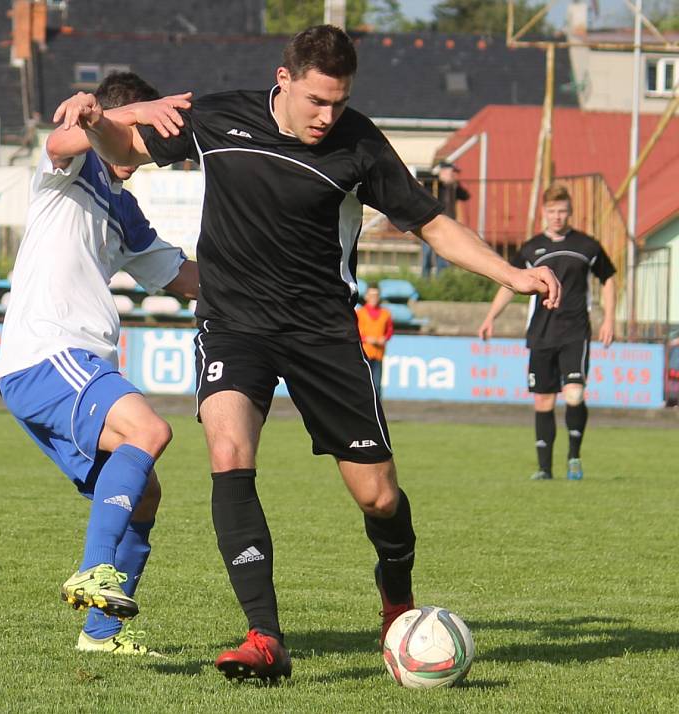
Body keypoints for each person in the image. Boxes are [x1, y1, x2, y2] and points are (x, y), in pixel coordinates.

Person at [62, 25, 560, 682]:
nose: (328, 116)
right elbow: (125, 145)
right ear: (285, 79)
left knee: (379, 497)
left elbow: (431, 223)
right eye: (317, 101)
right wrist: (97, 120)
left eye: (339, 101)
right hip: (234, 322)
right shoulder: (218, 117)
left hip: (323, 333)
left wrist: (511, 274)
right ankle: (264, 637)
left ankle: (398, 606)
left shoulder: (359, 143)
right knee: (228, 452)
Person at [0, 72, 198, 654]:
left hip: (66, 365)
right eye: (139, 132)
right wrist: (89, 112)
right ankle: (93, 569)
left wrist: (266, 283)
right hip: (49, 353)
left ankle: (101, 635)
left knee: (147, 493)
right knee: (151, 429)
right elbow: (62, 142)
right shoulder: (73, 170)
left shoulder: (125, 210)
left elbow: (185, 277)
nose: (143, 151)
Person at [478, 183, 616, 481]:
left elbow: (608, 279)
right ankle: (544, 468)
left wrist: (609, 319)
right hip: (541, 333)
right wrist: (491, 317)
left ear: (570, 212)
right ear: (544, 212)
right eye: (552, 211)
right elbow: (509, 283)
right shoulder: (531, 248)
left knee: (575, 394)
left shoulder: (587, 246)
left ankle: (574, 458)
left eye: (562, 211)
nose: (557, 216)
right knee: (543, 400)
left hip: (575, 331)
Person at [421, 161, 470, 277]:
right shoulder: (432, 183)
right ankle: (424, 282)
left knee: (443, 256)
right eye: (452, 172)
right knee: (427, 256)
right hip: (430, 223)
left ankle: (441, 282)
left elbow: (466, 196)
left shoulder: (453, 187)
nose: (454, 175)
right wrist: (439, 179)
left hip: (446, 225)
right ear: (443, 171)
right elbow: (421, 176)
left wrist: (455, 185)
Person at [356, 283, 393, 398]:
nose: (374, 298)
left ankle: (377, 412)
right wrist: (366, 339)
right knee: (362, 385)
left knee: (377, 385)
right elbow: (354, 332)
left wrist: (385, 338)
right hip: (363, 354)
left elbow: (390, 330)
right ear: (366, 296)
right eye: (371, 295)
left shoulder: (385, 314)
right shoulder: (360, 313)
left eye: (376, 295)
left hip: (378, 354)